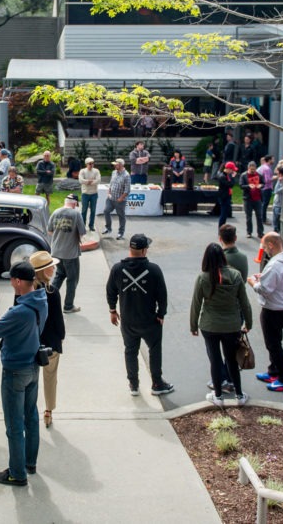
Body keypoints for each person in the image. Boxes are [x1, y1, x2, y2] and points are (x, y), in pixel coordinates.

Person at [0, 261, 47, 487]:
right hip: (33, 366)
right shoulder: (41, 302)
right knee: (31, 416)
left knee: (14, 425)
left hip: (15, 370)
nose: (10, 282)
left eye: (12, 279)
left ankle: (17, 473)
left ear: (19, 282)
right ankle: (30, 462)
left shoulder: (19, 311)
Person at [106, 233, 174, 396]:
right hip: (150, 320)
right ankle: (157, 383)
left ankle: (133, 384)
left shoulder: (117, 269)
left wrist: (113, 310)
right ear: (144, 251)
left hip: (128, 321)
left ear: (130, 248)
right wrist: (161, 314)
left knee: (130, 350)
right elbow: (162, 295)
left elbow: (110, 291)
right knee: (154, 350)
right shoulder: (153, 269)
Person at [191, 243, 253, 406]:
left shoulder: (203, 277)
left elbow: (196, 304)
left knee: (215, 359)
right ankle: (239, 394)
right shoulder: (236, 275)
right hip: (231, 325)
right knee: (231, 359)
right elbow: (244, 302)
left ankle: (217, 396)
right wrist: (248, 322)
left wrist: (193, 325)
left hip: (209, 325)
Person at [247, 232, 283, 393]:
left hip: (273, 309)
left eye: (264, 247)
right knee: (276, 340)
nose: (264, 251)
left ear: (270, 245)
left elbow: (264, 290)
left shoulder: (275, 265)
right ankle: (273, 371)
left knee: (273, 344)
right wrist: (264, 276)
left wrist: (253, 282)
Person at [28, 251, 66, 428]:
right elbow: (58, 320)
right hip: (50, 343)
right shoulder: (53, 292)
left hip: (30, 342)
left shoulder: (25, 292)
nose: (54, 268)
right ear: (44, 271)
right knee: (50, 378)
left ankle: (30, 409)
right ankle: (48, 411)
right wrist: (61, 337)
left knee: (31, 379)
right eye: (51, 266)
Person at [48, 193, 85, 313]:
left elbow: (49, 231)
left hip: (56, 252)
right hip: (70, 254)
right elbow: (82, 233)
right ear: (74, 204)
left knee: (59, 275)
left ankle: (49, 301)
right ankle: (68, 306)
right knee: (72, 279)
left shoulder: (55, 212)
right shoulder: (76, 214)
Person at [102, 158, 131, 240]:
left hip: (120, 200)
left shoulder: (126, 175)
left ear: (121, 165)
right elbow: (111, 184)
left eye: (116, 164)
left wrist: (121, 198)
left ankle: (120, 233)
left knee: (121, 216)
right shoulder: (114, 172)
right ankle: (108, 228)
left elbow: (127, 190)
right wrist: (108, 193)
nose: (114, 165)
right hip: (111, 198)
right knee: (106, 211)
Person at [239, 161, 265, 239]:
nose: (253, 171)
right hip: (248, 198)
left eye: (254, 170)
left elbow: (263, 183)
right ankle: (249, 232)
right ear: (248, 168)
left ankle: (260, 232)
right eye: (251, 170)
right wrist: (248, 186)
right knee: (249, 217)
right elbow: (241, 185)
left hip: (257, 198)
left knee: (259, 216)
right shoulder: (244, 175)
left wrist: (261, 185)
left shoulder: (259, 175)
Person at [78, 157, 100, 231]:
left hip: (94, 193)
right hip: (85, 193)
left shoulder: (96, 171)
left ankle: (91, 225)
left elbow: (98, 180)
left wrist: (88, 182)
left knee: (93, 210)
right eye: (90, 163)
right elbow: (80, 180)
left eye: (93, 163)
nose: (92, 165)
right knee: (84, 210)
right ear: (86, 164)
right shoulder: (82, 171)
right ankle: (83, 225)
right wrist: (88, 181)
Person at [216, 161, 238, 227]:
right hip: (224, 197)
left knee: (225, 214)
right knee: (223, 214)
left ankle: (222, 227)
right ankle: (221, 229)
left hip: (227, 196)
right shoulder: (222, 176)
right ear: (228, 169)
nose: (232, 172)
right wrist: (233, 177)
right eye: (232, 170)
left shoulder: (227, 175)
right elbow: (230, 184)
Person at [271, 165, 283, 232]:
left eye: (278, 172)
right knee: (275, 220)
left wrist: (279, 182)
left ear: (280, 174)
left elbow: (276, 190)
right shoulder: (279, 180)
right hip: (276, 203)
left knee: (277, 220)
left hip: (279, 204)